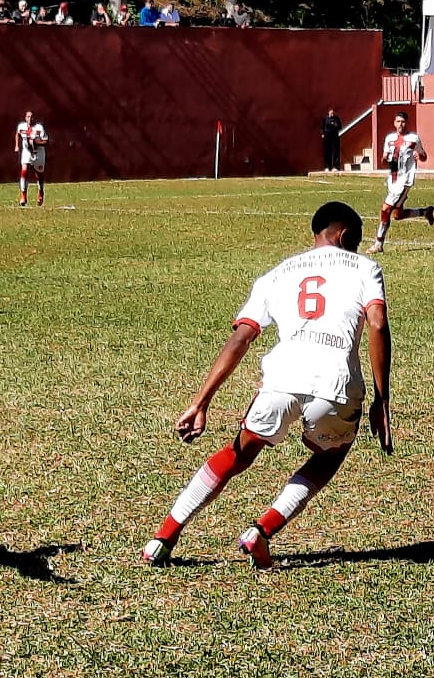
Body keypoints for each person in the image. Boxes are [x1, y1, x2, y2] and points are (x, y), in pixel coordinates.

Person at [141, 201, 392, 569]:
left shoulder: (278, 273)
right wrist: (382, 401)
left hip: (281, 379)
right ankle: (261, 531)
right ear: (346, 236)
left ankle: (162, 538)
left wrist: (201, 402)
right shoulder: (366, 266)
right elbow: (378, 323)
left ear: (315, 235)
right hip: (335, 384)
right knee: (329, 455)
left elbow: (240, 339)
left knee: (237, 454)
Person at [369, 112, 434, 254]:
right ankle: (425, 211)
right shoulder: (389, 138)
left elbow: (424, 156)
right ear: (394, 123)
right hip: (392, 179)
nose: (400, 124)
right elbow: (385, 160)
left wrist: (419, 155)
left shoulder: (414, 139)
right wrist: (384, 159)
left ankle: (378, 244)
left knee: (386, 209)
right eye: (398, 121)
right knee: (397, 215)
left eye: (403, 122)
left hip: (405, 181)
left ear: (407, 123)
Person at [15, 110, 49, 207]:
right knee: (24, 171)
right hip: (27, 152)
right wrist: (17, 145)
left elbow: (46, 141)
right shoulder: (21, 126)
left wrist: (36, 142)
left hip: (38, 152)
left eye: (32, 117)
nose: (30, 119)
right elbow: (17, 134)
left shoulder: (39, 128)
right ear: (25, 118)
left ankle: (40, 191)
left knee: (39, 175)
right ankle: (23, 195)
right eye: (28, 117)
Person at [321, 108, 343, 172]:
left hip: (335, 136)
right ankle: (327, 166)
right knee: (327, 152)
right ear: (328, 113)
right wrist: (323, 134)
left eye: (333, 113)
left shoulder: (337, 119)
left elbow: (340, 127)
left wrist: (335, 125)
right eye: (331, 113)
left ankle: (336, 166)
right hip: (327, 136)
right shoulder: (325, 119)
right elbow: (322, 127)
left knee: (335, 151)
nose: (332, 114)